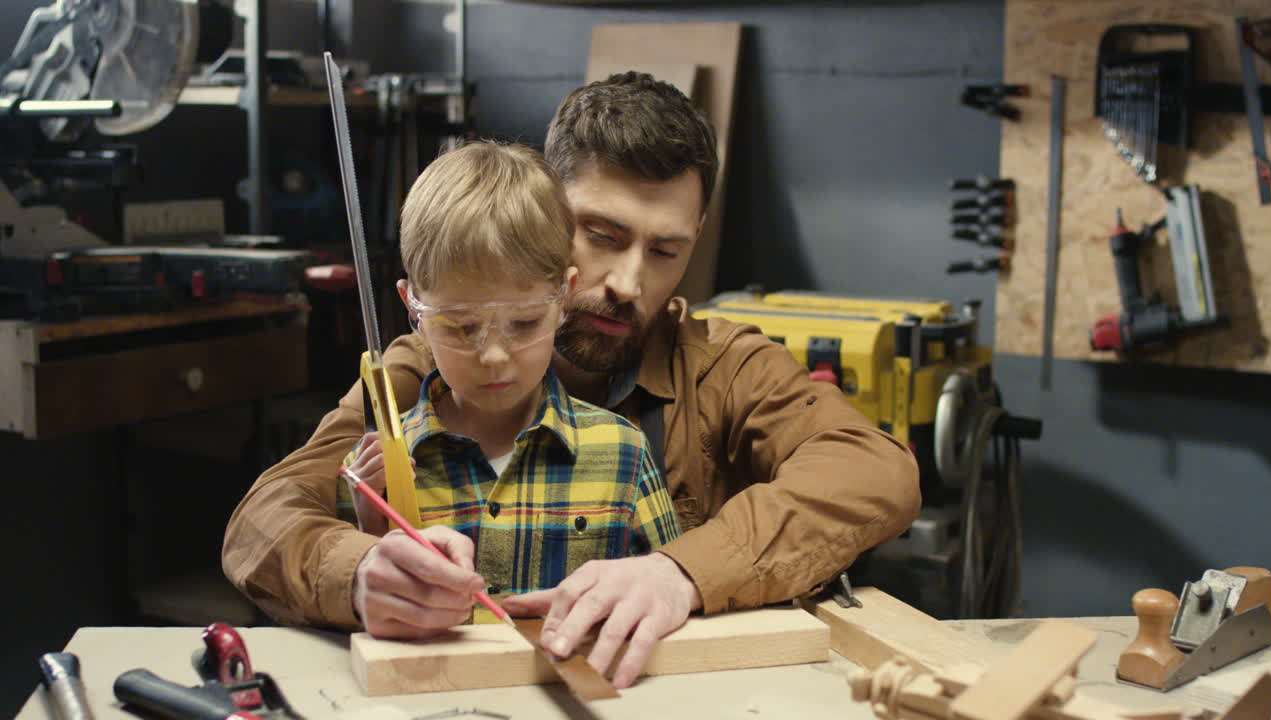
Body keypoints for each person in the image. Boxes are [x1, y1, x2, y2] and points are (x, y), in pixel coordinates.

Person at [223, 72, 920, 690]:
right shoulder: (420, 369)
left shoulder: (722, 368)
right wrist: (360, 575)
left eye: (666, 250)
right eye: (604, 235)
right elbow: (263, 522)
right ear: (540, 213)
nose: (627, 282)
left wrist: (680, 573)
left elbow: (876, 471)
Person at [337, 139, 682, 631]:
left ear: (564, 295)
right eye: (461, 326)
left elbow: (664, 602)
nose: (494, 355)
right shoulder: (372, 472)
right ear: (412, 307)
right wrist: (371, 525)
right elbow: (342, 623)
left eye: (523, 323)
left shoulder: (624, 454)